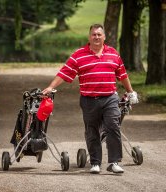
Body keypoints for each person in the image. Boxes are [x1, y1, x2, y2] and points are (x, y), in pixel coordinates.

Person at [42, 24, 138, 174]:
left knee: (113, 127)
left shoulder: (113, 54)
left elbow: (123, 75)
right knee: (92, 131)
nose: (96, 37)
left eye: (99, 34)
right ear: (89, 37)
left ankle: (114, 162)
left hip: (110, 98)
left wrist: (130, 92)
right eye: (94, 34)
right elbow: (64, 72)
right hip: (89, 100)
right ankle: (95, 163)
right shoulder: (79, 55)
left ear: (104, 37)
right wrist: (50, 87)